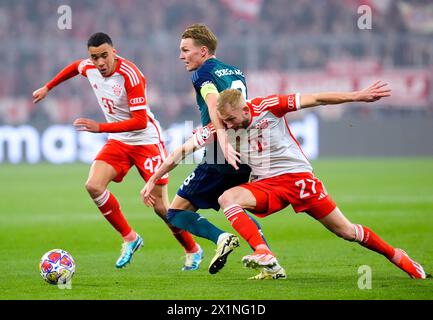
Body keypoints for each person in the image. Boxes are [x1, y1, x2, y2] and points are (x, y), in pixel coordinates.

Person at [142, 81, 429, 280]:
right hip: (268, 184)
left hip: (300, 179)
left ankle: (398, 257)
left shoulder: (269, 106)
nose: (226, 127)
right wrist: (153, 179)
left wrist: (357, 95)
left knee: (347, 231)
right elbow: (181, 152)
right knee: (227, 198)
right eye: (223, 122)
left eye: (230, 120)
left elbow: (315, 99)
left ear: (245, 110)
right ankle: (263, 252)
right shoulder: (221, 128)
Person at [32, 32, 200, 270]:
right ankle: (130, 238)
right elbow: (73, 67)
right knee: (93, 185)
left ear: (114, 51)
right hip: (119, 140)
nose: (99, 63)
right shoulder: (89, 66)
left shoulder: (129, 75)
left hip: (146, 141)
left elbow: (140, 121)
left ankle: (192, 249)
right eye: (94, 57)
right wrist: (48, 87)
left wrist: (100, 127)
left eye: (104, 56)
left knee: (161, 207)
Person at [156, 23, 276, 275]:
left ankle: (222, 238)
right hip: (244, 150)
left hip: (220, 152)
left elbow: (213, 103)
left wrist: (220, 137)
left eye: (185, 50)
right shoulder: (236, 71)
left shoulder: (202, 74)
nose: (181, 56)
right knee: (231, 206)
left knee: (176, 212)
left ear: (202, 50)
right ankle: (268, 259)